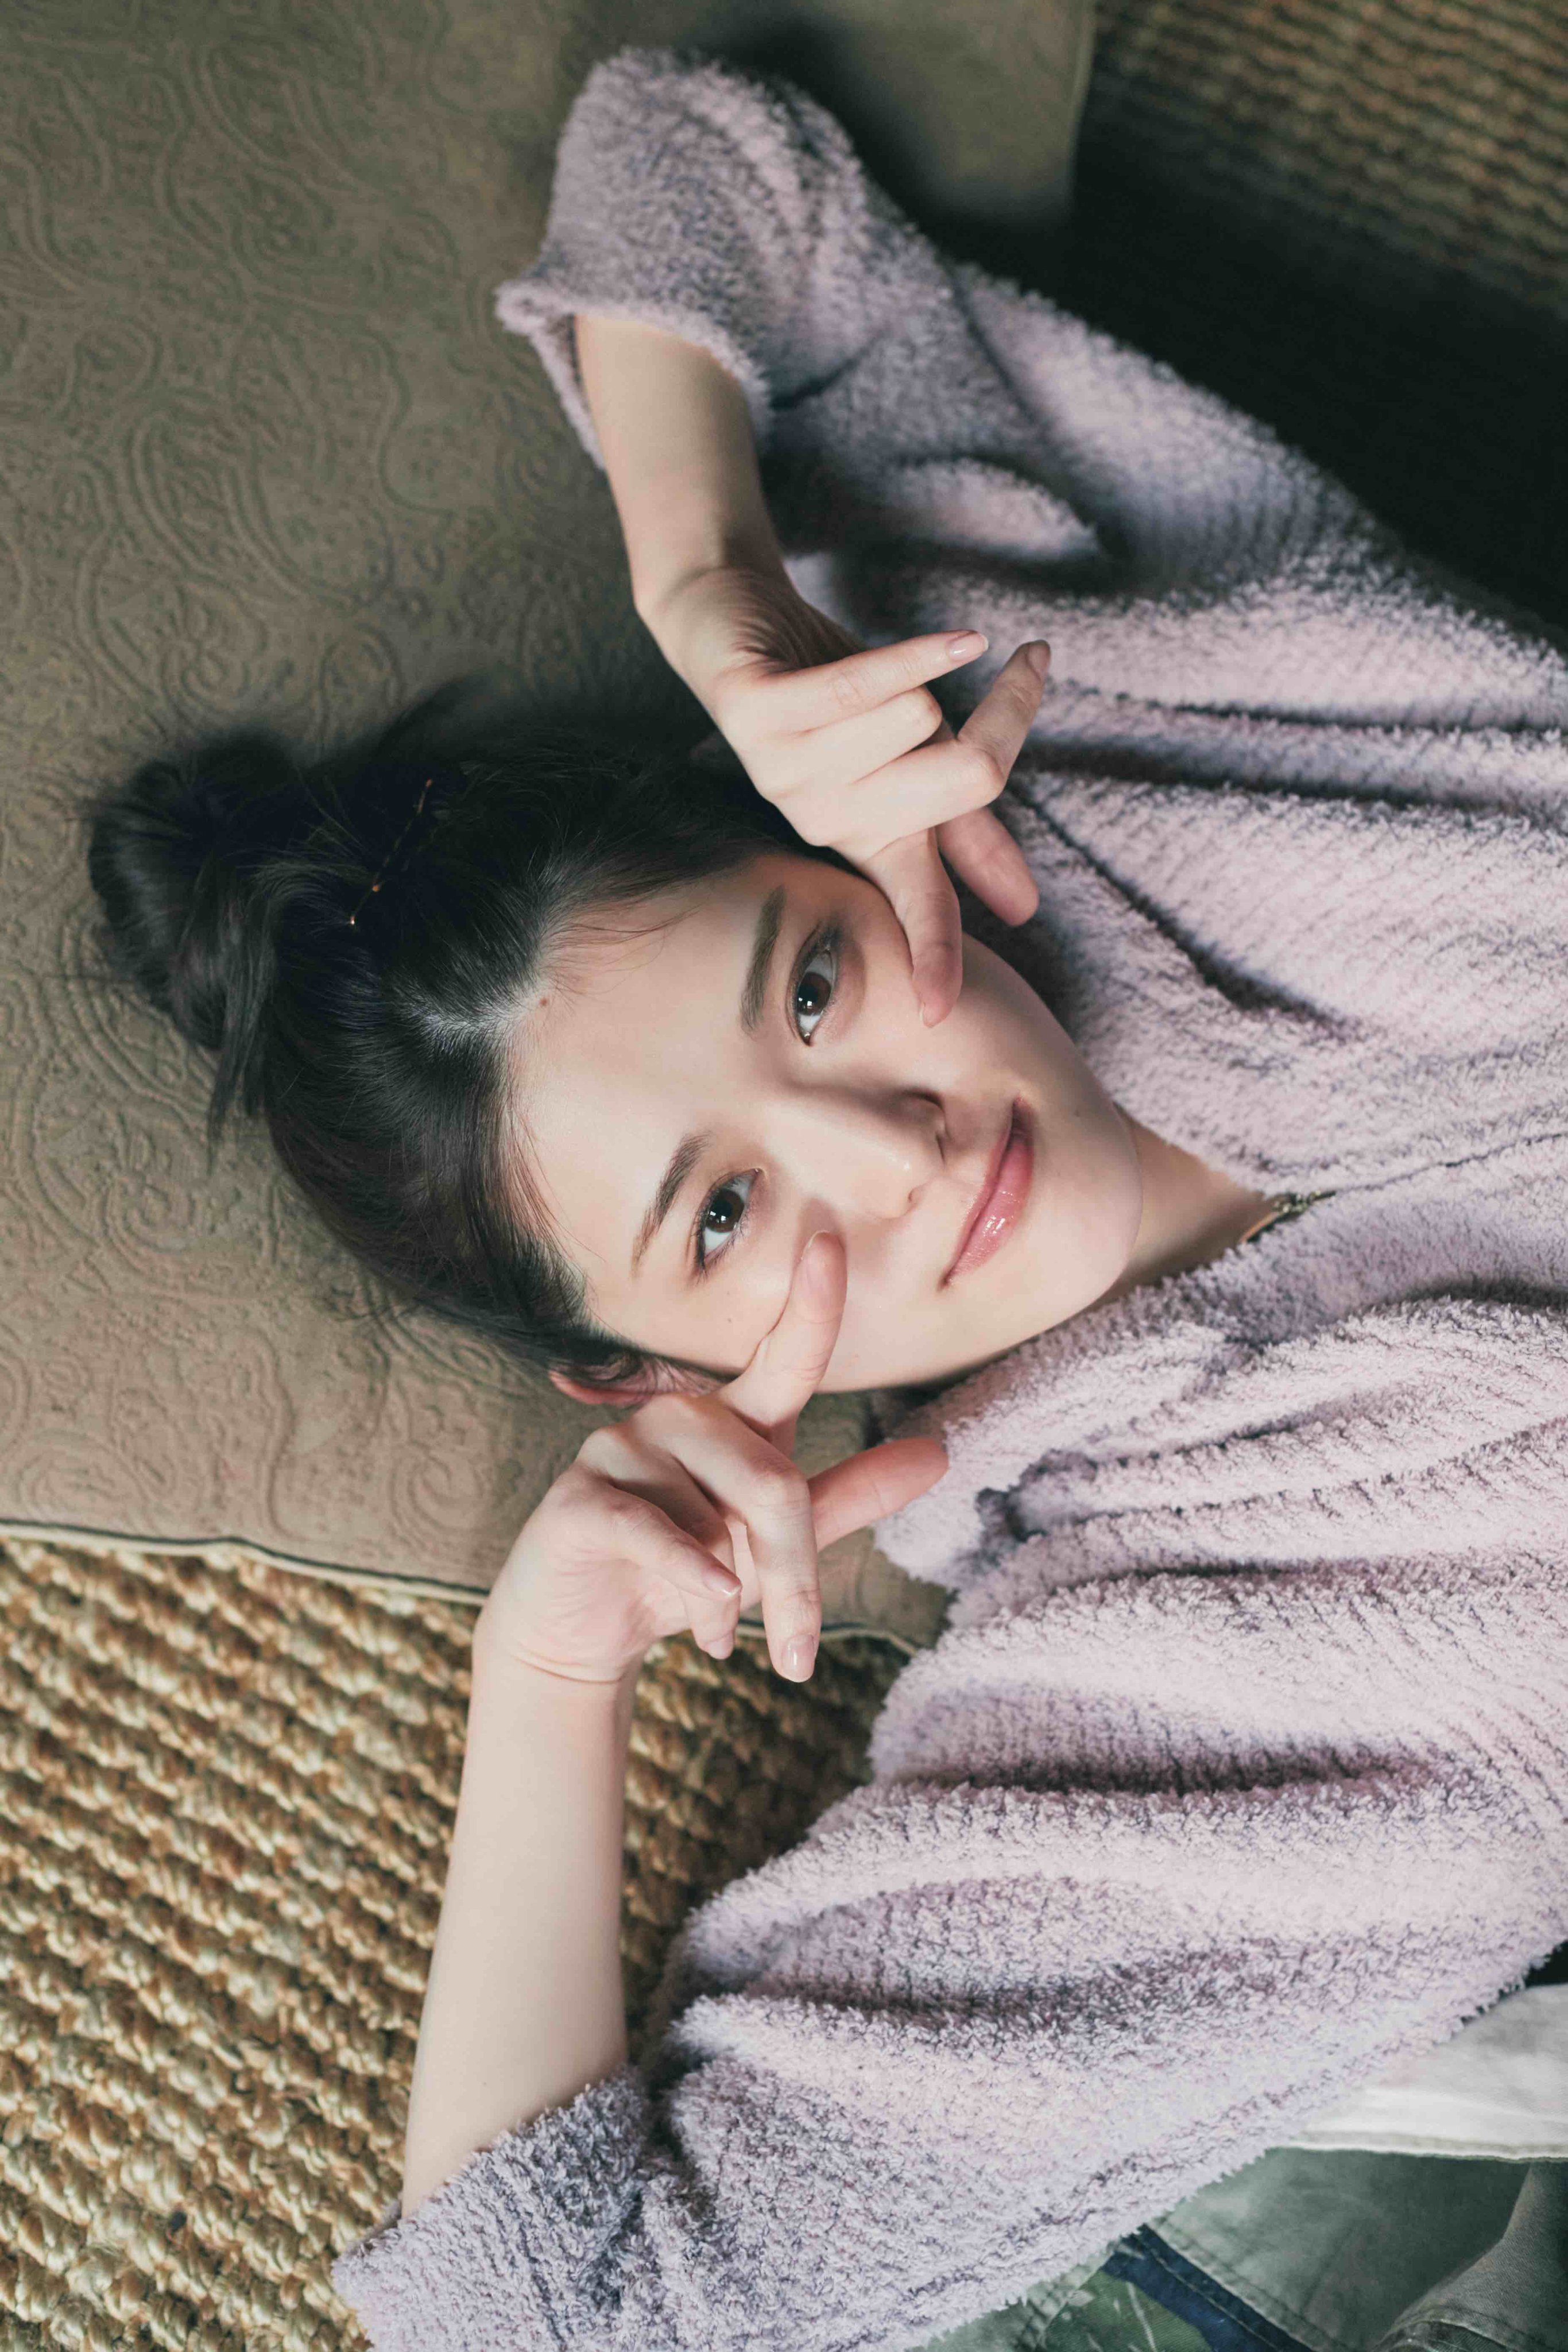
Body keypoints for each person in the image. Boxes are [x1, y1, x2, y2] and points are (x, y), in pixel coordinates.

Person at [89, 37, 1568, 2352]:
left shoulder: (1061, 711)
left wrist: (712, 592)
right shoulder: (1156, 1675)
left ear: (832, 833)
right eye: (717, 1219)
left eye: (808, 983)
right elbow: (558, 2322)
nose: (896, 1150)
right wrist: (546, 1678)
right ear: (640, 1371)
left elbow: (694, 155)